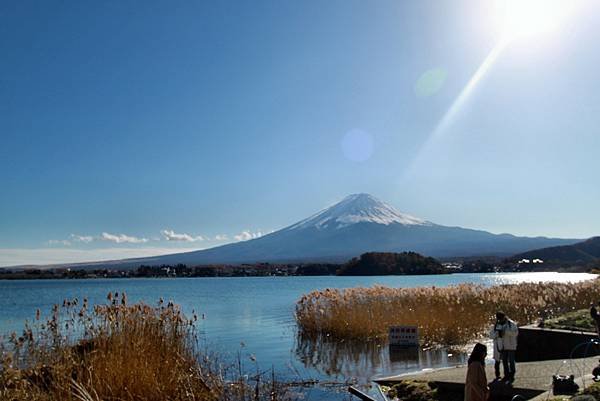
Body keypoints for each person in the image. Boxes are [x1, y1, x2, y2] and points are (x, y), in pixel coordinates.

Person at [495, 311, 518, 383]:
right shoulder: (498, 324)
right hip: (503, 346)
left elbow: (516, 333)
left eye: (501, 319)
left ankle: (512, 374)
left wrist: (506, 332)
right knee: (504, 360)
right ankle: (506, 374)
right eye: (499, 319)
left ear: (504, 317)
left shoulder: (511, 324)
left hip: (511, 345)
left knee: (511, 361)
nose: (500, 320)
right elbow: (496, 334)